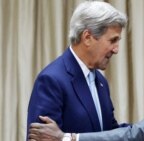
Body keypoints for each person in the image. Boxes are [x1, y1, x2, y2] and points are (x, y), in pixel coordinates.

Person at [27, 0, 127, 139]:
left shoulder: (101, 81)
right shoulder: (51, 80)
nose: (116, 49)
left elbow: (109, 132)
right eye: (112, 40)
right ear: (87, 38)